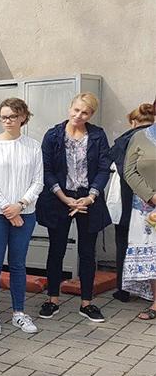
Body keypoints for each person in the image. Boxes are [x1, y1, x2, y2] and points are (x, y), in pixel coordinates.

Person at [36, 92, 112, 323]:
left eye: (85, 112)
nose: (79, 115)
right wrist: (62, 196)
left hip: (88, 199)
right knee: (56, 249)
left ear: (91, 115)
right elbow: (46, 169)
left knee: (87, 252)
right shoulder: (53, 135)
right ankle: (53, 299)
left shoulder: (97, 135)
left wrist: (90, 197)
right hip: (60, 198)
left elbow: (103, 168)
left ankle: (86, 303)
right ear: (70, 108)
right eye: (76, 110)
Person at [0, 98, 43, 334]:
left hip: (25, 214)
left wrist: (20, 205)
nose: (8, 121)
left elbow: (38, 182)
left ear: (23, 117)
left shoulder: (33, 146)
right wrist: (8, 208)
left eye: (13, 116)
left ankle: (18, 313)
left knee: (18, 264)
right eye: (3, 116)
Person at [109, 103, 155, 302]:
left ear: (133, 121)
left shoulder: (122, 140)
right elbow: (129, 171)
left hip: (128, 202)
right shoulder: (139, 138)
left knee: (124, 245)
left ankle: (123, 290)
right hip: (143, 202)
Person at [121, 101, 156, 319]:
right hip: (146, 208)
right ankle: (155, 303)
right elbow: (129, 171)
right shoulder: (140, 137)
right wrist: (151, 195)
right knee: (153, 258)